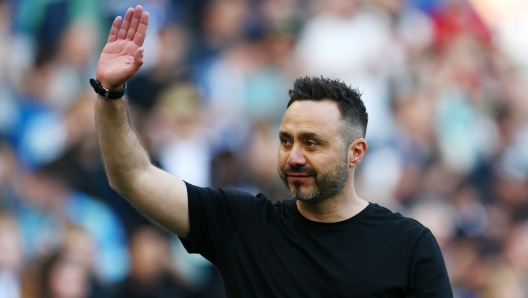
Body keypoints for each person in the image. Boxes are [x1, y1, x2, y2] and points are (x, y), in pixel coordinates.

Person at [92, 5, 453, 297]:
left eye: (312, 143)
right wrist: (110, 92)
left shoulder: (408, 245)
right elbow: (133, 177)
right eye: (286, 141)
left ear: (355, 152)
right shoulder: (242, 224)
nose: (293, 156)